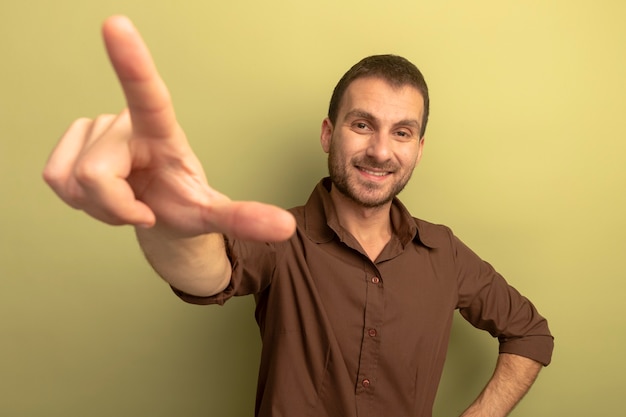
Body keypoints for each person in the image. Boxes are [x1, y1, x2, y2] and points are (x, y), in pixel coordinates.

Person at [43, 15, 553, 417]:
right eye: (362, 124)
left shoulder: (447, 253)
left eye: (401, 132)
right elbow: (206, 272)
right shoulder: (279, 237)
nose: (379, 150)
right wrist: (168, 222)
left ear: (418, 149)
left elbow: (531, 334)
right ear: (329, 134)